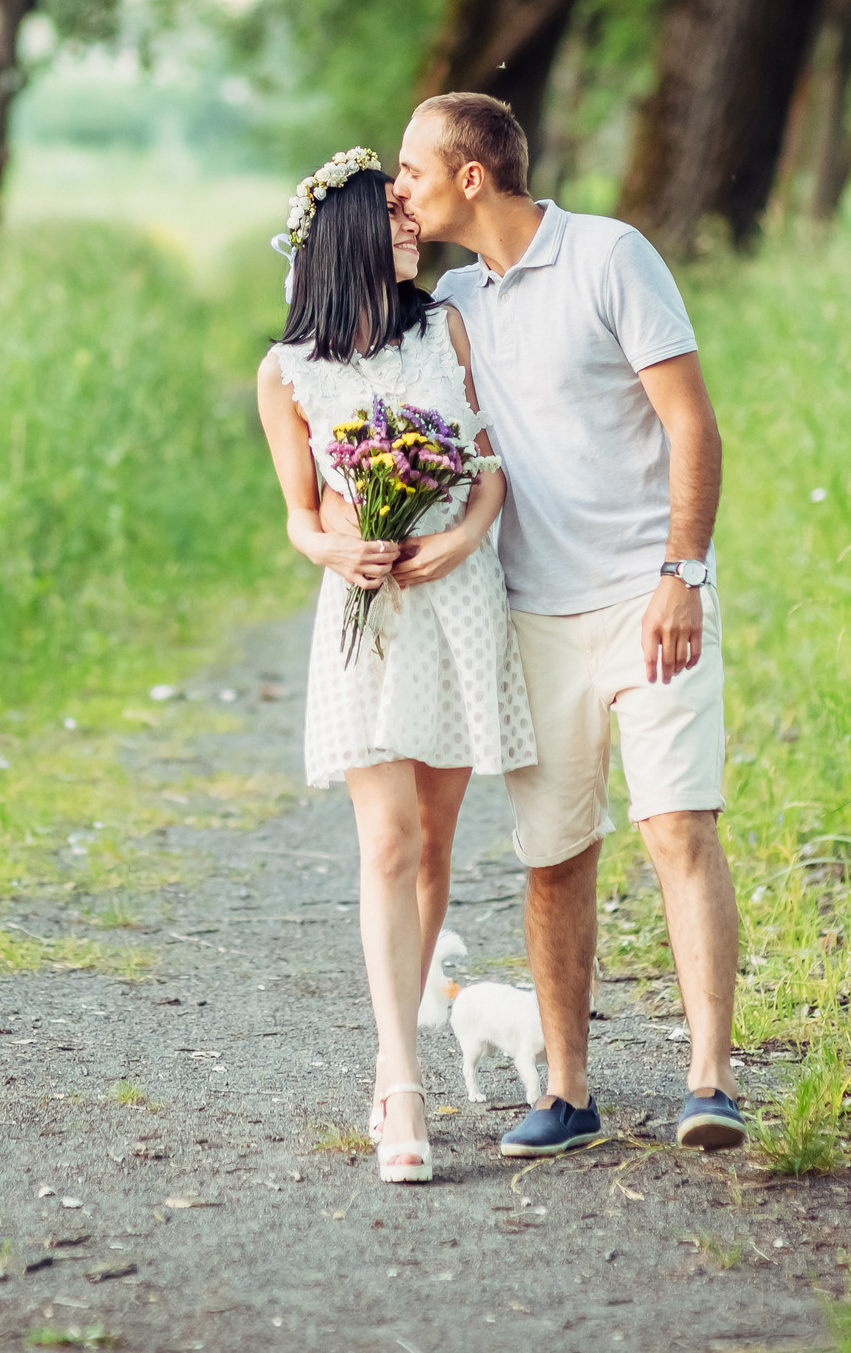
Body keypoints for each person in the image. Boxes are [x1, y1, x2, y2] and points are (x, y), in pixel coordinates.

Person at [342, 91, 746, 1156]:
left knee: (676, 824)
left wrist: (681, 572)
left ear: (470, 176)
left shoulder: (613, 256)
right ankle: (566, 1091)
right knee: (553, 855)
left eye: (413, 171)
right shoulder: (458, 301)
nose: (401, 188)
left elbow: (693, 425)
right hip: (532, 613)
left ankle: (710, 1082)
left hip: (647, 595)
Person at [253, 147, 537, 1184]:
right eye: (394, 211)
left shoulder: (446, 327)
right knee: (387, 841)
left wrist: (461, 539)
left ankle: (396, 1042)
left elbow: (492, 460)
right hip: (366, 608)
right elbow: (297, 510)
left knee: (434, 843)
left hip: (455, 598)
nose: (412, 218)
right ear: (347, 236)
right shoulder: (288, 371)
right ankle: (402, 1078)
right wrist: (337, 546)